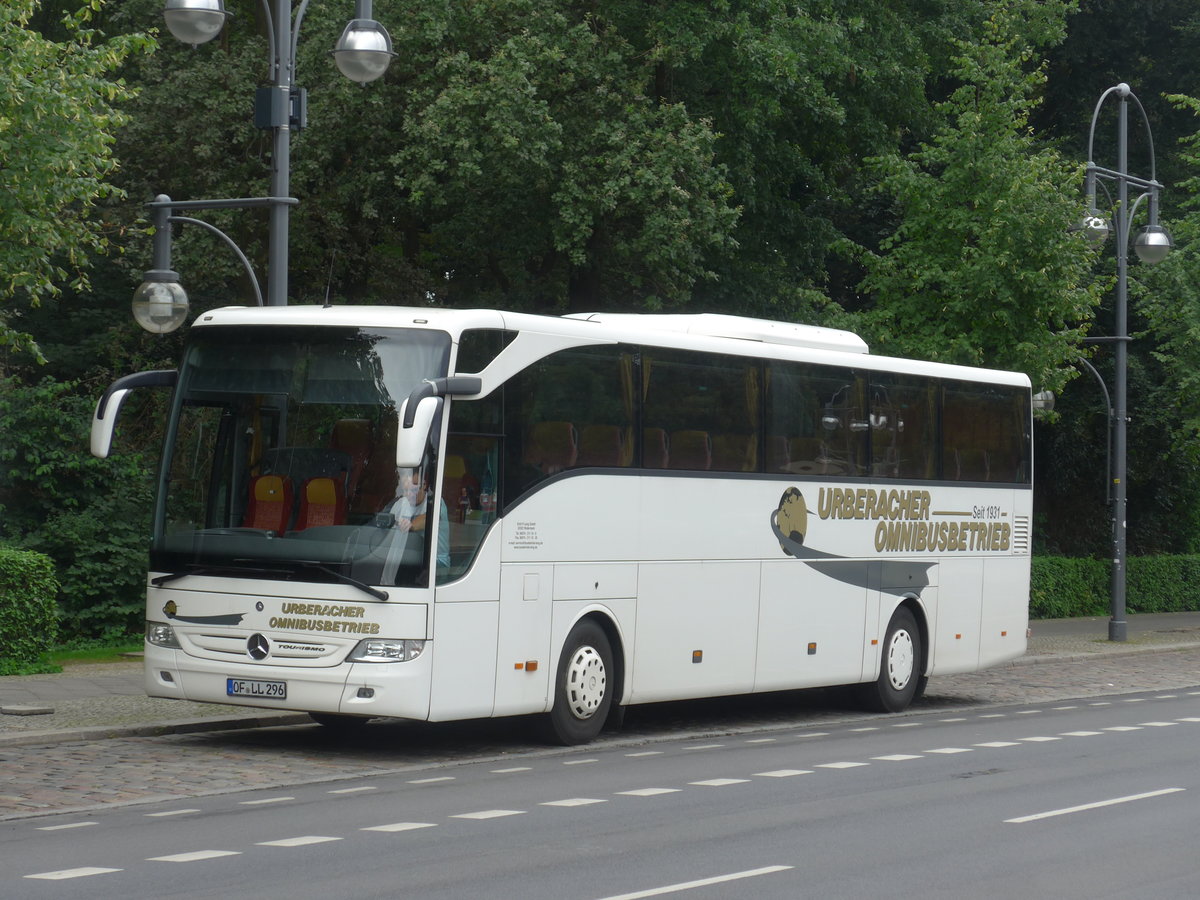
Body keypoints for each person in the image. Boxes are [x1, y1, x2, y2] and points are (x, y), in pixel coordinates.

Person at [391, 469, 450, 571]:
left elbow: (425, 520)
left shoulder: (437, 503)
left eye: (414, 490)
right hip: (406, 560)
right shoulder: (399, 504)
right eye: (406, 490)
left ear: (424, 485)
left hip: (437, 564)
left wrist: (410, 526)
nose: (409, 494)